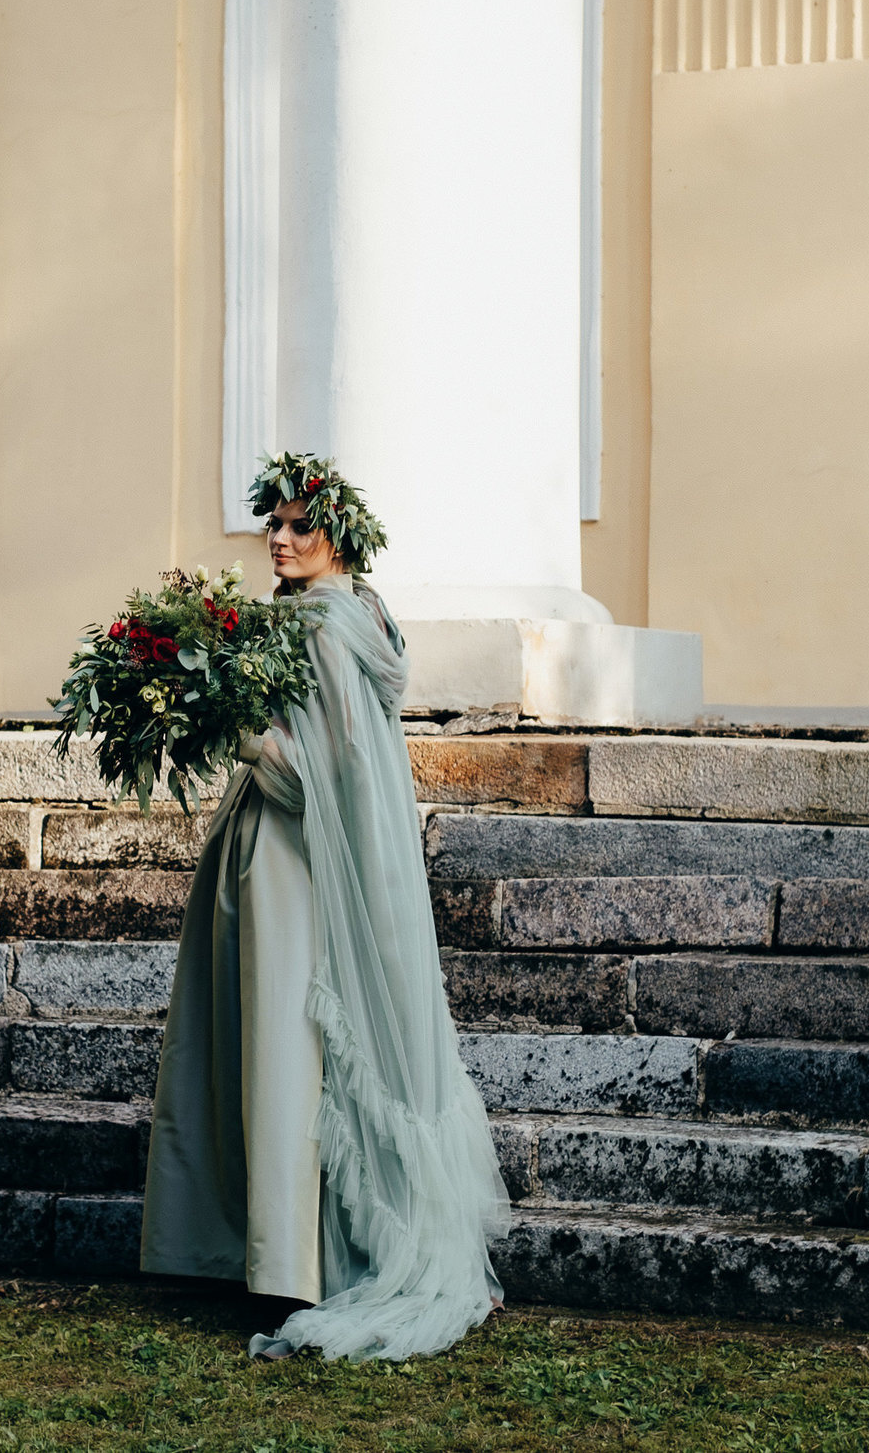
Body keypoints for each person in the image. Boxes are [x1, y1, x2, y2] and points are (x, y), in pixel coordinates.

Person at [137, 453, 511, 1361]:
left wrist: (226, 721)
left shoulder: (329, 627)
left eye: (301, 524)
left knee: (289, 1048)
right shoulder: (333, 617)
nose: (280, 536)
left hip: (301, 866)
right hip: (274, 855)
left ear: (338, 536)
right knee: (268, 1044)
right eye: (274, 522)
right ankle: (258, 1245)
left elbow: (327, 776)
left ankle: (295, 1258)